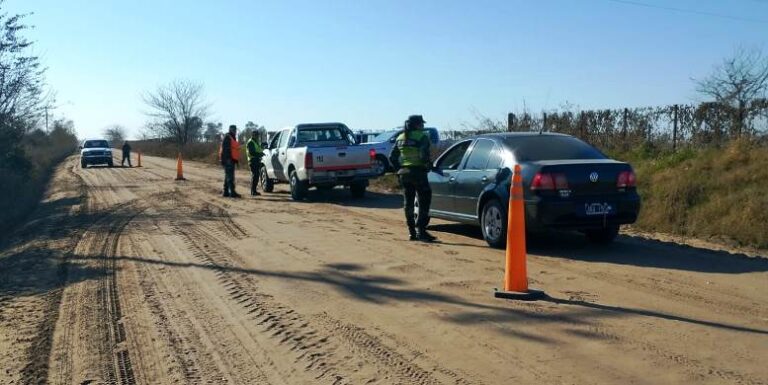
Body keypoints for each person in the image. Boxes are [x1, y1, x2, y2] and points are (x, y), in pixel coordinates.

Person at [389, 115, 436, 242]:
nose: (423, 126)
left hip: (404, 173)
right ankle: (421, 231)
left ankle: (411, 233)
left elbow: (392, 157)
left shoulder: (400, 137)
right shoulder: (422, 137)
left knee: (408, 202)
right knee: (424, 201)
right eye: (422, 124)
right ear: (417, 125)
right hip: (418, 172)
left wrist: (399, 169)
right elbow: (423, 156)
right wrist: (429, 166)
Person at [219, 125, 241, 198]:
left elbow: (233, 149)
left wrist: (235, 160)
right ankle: (232, 192)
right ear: (230, 129)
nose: (234, 131)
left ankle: (226, 192)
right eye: (233, 129)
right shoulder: (228, 137)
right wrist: (227, 160)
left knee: (227, 176)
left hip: (231, 160)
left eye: (235, 129)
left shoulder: (232, 137)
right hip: (228, 160)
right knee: (230, 177)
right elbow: (225, 150)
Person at [246, 130, 265, 196]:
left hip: (256, 160)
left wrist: (262, 150)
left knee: (256, 176)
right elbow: (252, 153)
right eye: (256, 135)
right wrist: (260, 154)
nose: (257, 136)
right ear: (253, 135)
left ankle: (254, 191)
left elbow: (258, 150)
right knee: (255, 176)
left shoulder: (255, 142)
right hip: (253, 160)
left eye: (257, 135)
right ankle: (253, 191)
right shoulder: (251, 142)